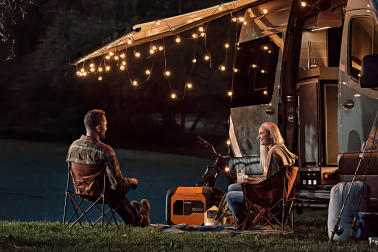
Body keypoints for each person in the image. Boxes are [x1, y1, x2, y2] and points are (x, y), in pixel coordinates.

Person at [66, 109, 150, 226]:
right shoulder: (105, 150)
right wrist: (132, 182)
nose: (107, 128)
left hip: (80, 192)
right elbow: (117, 185)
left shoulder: (73, 146)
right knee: (116, 191)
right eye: (105, 125)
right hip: (101, 194)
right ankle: (140, 218)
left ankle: (135, 212)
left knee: (115, 192)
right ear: (98, 128)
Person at [226, 122, 298, 229]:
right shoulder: (281, 149)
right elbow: (271, 180)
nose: (258, 137)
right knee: (232, 187)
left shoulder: (273, 152)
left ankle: (243, 220)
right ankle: (247, 218)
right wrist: (249, 179)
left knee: (229, 196)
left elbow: (267, 182)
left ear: (271, 135)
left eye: (261, 133)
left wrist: (248, 181)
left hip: (270, 196)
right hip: (279, 192)